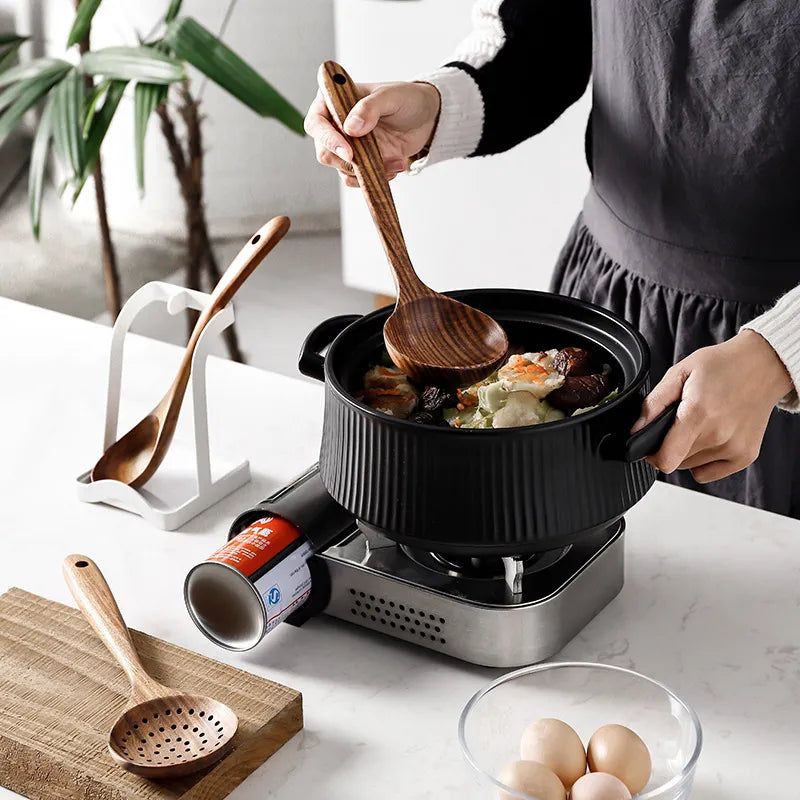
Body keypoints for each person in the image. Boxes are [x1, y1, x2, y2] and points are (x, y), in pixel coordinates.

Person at [304, 0, 800, 518]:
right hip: (614, 299)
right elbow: (541, 37)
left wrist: (778, 355)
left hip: (780, 355)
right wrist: (433, 105)